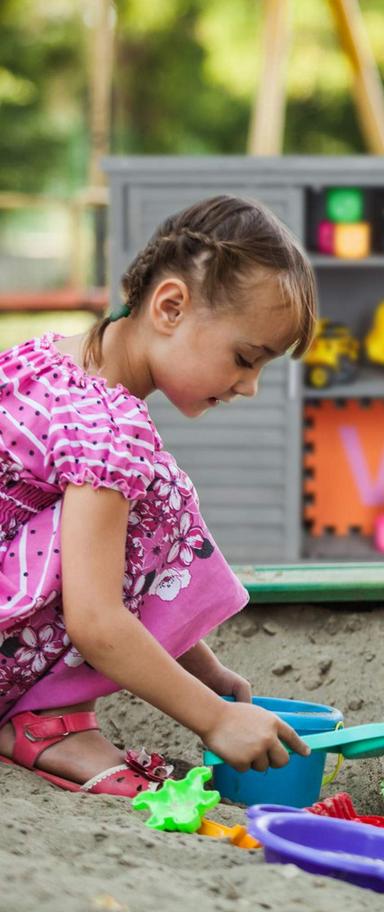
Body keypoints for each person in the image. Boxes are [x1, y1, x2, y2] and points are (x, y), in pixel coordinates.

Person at [0, 195, 316, 796]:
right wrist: (214, 717)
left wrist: (206, 672)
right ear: (170, 306)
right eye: (245, 358)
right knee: (160, 496)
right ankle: (47, 724)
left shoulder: (51, 362)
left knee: (149, 490)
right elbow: (95, 620)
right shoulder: (111, 433)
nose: (249, 386)